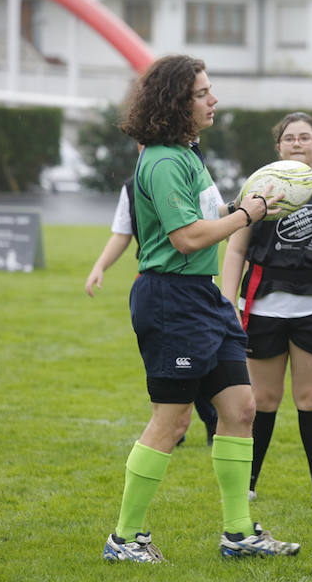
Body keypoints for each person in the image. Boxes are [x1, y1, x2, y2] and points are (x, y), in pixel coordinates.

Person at [101, 54, 299, 563]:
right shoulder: (165, 161)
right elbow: (187, 237)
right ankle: (125, 539)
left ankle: (238, 534)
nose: (214, 100)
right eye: (202, 93)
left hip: (203, 298)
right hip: (171, 300)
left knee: (240, 409)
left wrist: (249, 207)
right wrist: (246, 214)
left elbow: (204, 221)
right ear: (175, 102)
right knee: (172, 421)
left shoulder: (186, 154)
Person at [221, 111, 312, 505]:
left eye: (305, 137)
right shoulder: (257, 190)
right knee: (262, 401)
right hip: (263, 309)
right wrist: (228, 302)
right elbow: (235, 247)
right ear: (278, 147)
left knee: (311, 398)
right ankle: (247, 485)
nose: (297, 143)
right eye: (289, 138)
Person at [86, 178, 219, 446]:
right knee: (166, 360)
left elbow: (217, 216)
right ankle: (172, 428)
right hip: (156, 286)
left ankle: (211, 420)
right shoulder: (130, 186)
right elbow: (122, 233)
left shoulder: (194, 172)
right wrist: (99, 266)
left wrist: (243, 217)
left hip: (195, 285)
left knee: (200, 359)